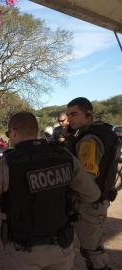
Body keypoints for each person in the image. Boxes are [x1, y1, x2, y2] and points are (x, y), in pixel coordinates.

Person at [0, 111, 101, 270]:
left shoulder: (6, 162)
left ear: (13, 132)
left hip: (24, 250)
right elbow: (92, 194)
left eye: (8, 133)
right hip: (61, 246)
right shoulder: (64, 155)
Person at [66, 97, 119, 270]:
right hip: (99, 200)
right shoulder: (104, 132)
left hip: (89, 204)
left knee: (92, 251)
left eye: (74, 114)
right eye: (68, 115)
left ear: (88, 114)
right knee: (91, 247)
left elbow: (85, 178)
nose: (70, 119)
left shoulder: (89, 139)